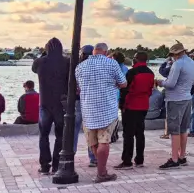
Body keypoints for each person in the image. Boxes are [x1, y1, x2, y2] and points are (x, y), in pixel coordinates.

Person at [75, 42, 127, 183]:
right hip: (107, 109)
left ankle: (101, 170)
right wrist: (113, 84)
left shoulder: (80, 67)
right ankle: (101, 173)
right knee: (104, 141)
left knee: (93, 142)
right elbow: (123, 83)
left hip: (88, 110)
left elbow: (78, 88)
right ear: (105, 51)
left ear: (93, 52)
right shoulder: (112, 64)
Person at [156, 42, 194, 169]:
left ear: (176, 54)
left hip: (175, 100)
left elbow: (171, 83)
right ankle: (182, 156)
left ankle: (174, 159)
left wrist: (160, 82)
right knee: (184, 129)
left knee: (174, 130)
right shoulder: (192, 63)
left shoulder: (178, 64)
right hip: (187, 98)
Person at [33, 37, 69, 174]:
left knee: (44, 135)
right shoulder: (66, 62)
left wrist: (44, 55)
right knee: (60, 135)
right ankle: (56, 164)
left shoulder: (39, 62)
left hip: (45, 103)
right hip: (60, 103)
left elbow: (34, 69)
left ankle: (44, 165)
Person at [115, 52, 155, 169]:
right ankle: (139, 159)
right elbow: (150, 90)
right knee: (140, 133)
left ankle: (127, 160)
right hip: (144, 105)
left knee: (128, 134)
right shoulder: (150, 73)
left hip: (131, 105)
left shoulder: (132, 72)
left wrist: (121, 105)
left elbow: (125, 90)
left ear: (136, 59)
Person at [74, 47, 98, 167]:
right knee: (91, 130)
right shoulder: (97, 67)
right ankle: (93, 157)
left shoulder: (77, 66)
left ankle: (71, 154)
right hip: (91, 102)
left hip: (78, 101)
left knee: (74, 129)